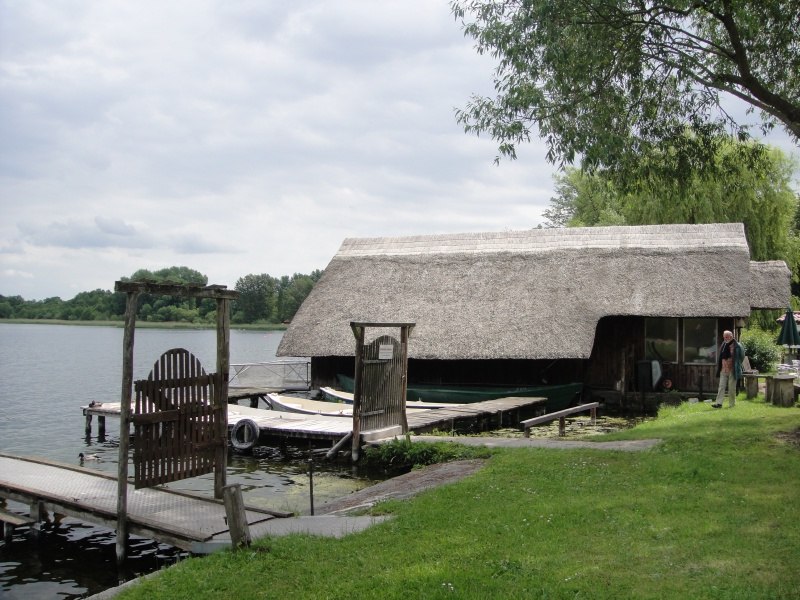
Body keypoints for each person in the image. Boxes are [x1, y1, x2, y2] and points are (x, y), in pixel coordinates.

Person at [713, 330, 744, 408]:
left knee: (731, 388)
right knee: (721, 387)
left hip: (733, 370)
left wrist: (736, 365)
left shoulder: (737, 345)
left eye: (726, 337)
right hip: (723, 370)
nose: (725, 338)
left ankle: (731, 404)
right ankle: (718, 403)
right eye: (724, 337)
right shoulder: (724, 344)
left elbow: (742, 357)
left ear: (731, 336)